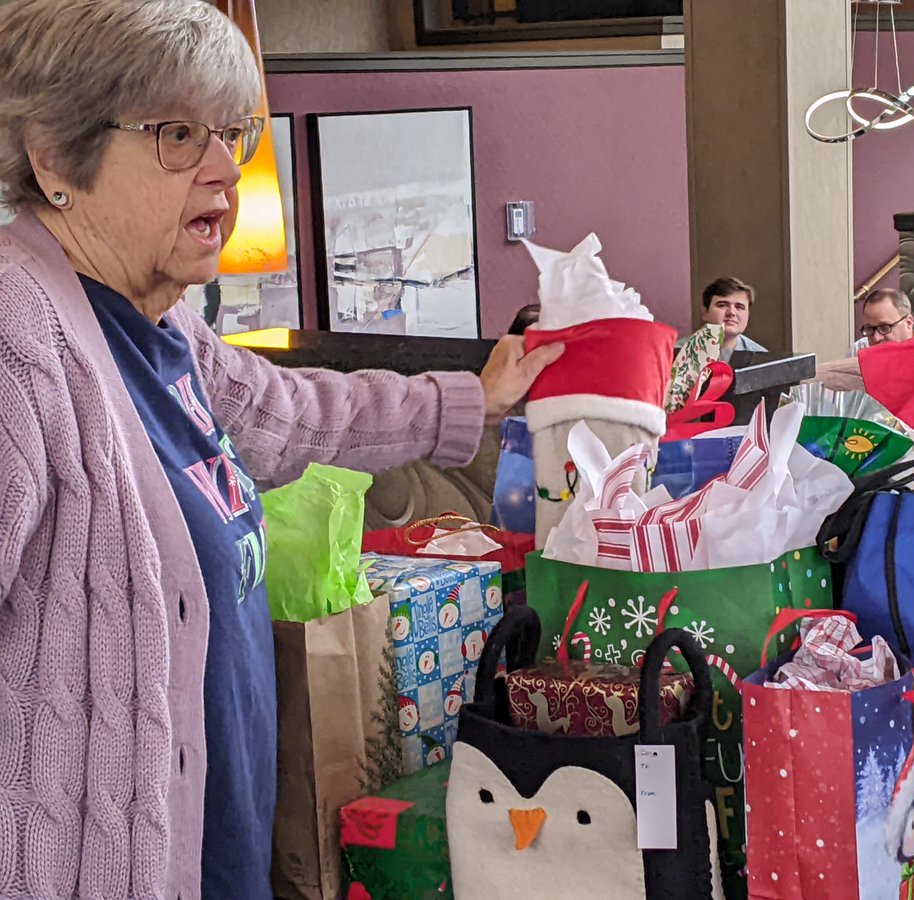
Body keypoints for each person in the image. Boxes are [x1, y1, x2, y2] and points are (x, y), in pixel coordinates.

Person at [0, 2, 563, 898]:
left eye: (231, 133)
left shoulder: (164, 326)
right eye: (179, 134)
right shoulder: (18, 334)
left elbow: (290, 414)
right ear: (55, 157)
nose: (226, 169)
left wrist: (476, 398)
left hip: (216, 854)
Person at [698, 275, 768, 361]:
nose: (731, 312)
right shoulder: (679, 353)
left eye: (739, 307)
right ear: (705, 312)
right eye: (722, 305)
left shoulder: (761, 358)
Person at [850, 287, 914, 356]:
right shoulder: (858, 351)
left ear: (908, 323)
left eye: (884, 328)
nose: (876, 338)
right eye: (869, 328)